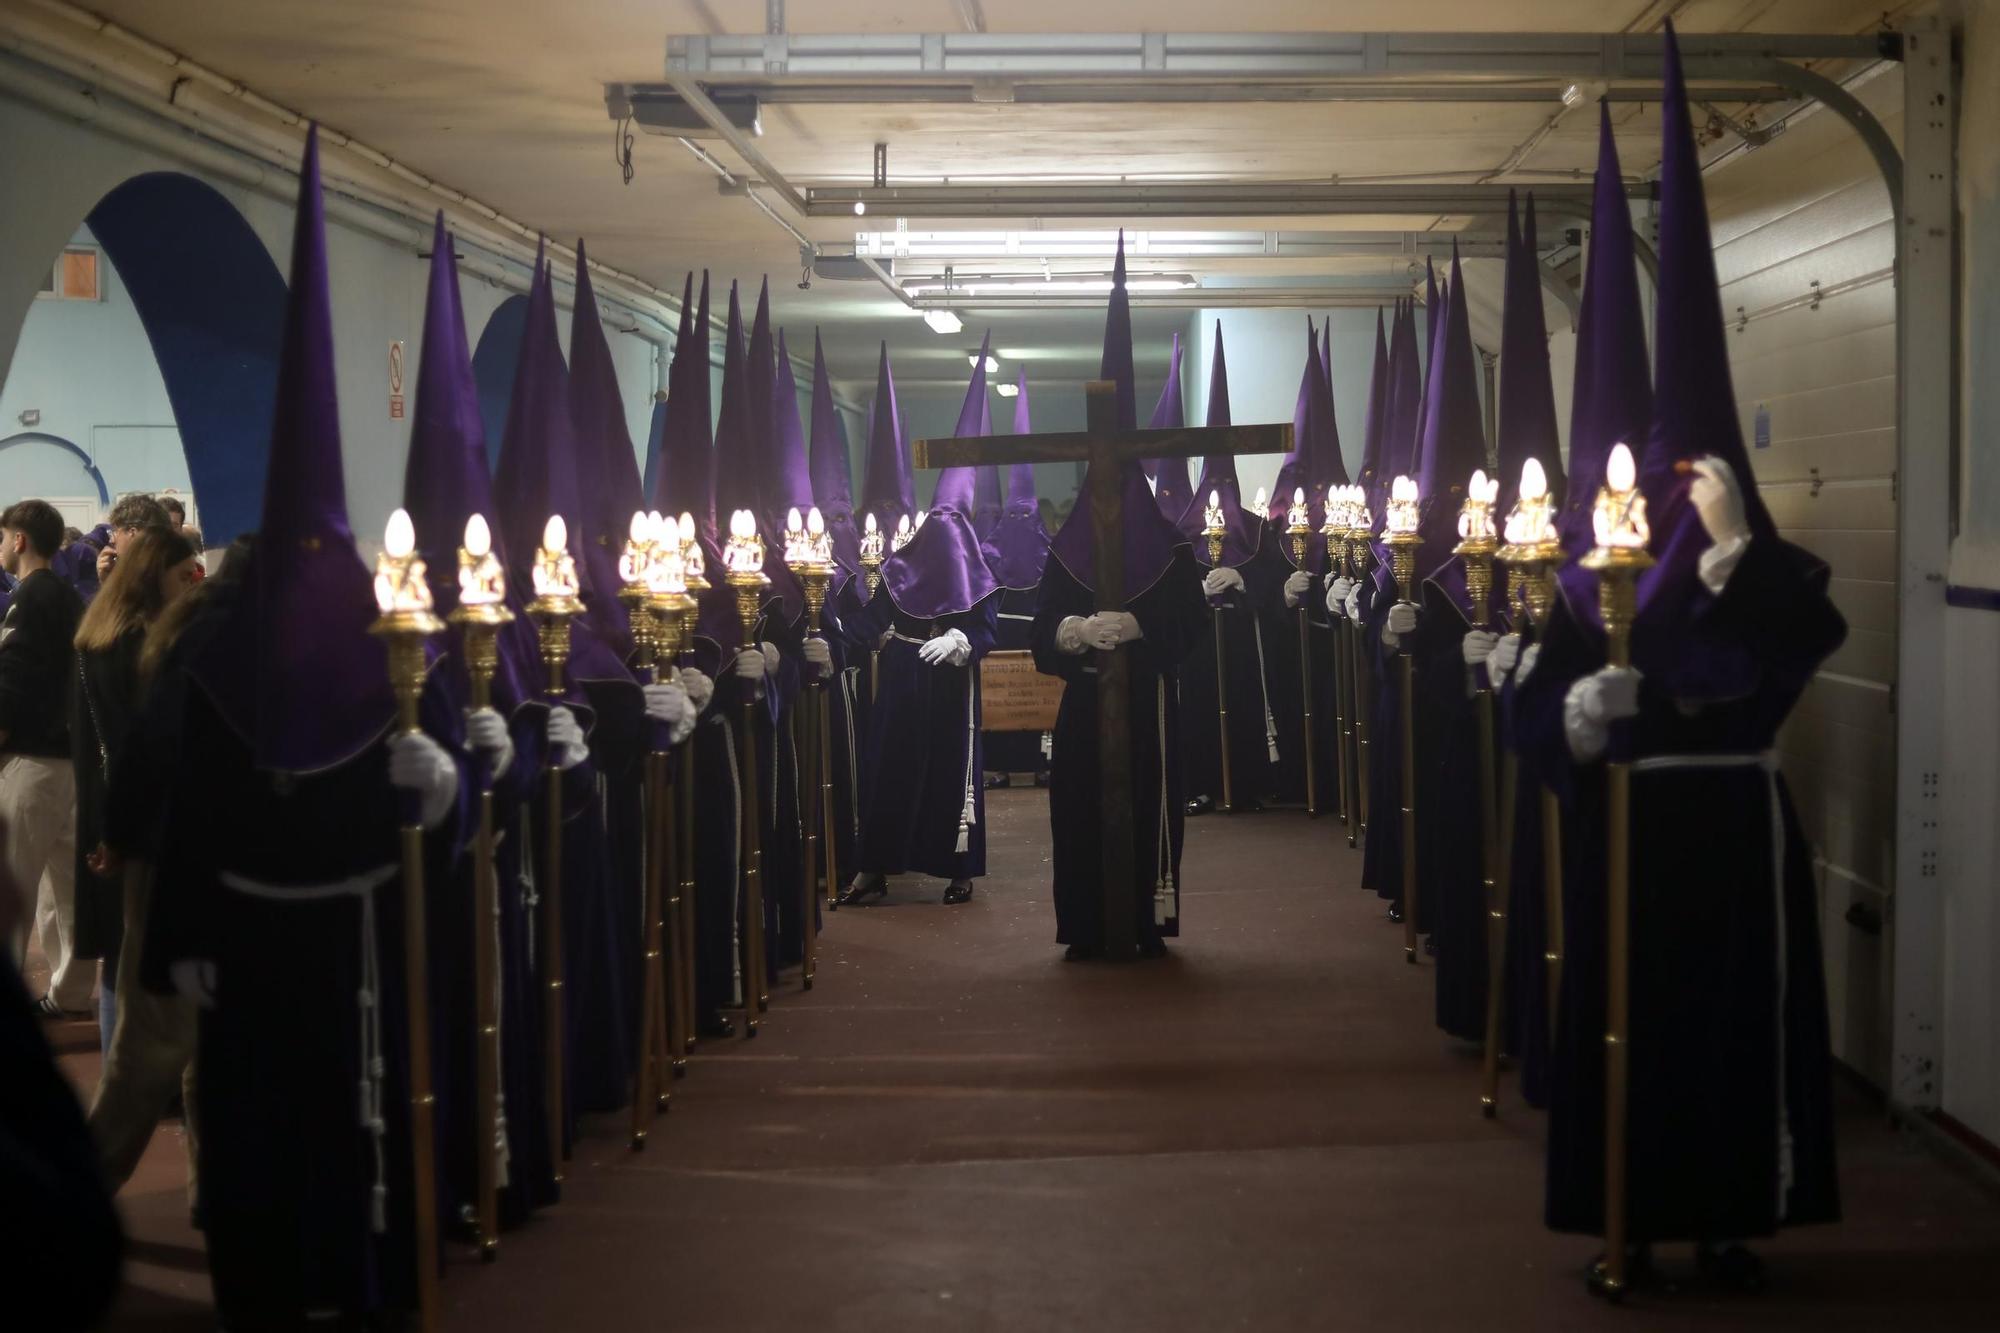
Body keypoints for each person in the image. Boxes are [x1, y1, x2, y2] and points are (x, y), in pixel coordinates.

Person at [1522, 30, 1842, 1291]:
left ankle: (1730, 1212)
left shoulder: (1759, 566)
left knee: (1733, 1027)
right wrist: (1581, 719)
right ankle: (1628, 1215)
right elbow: (1533, 720)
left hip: (1733, 830)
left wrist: (1727, 555)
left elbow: (1798, 647)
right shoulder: (1585, 590)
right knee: (1631, 1026)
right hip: (1630, 831)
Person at [1033, 239, 1207, 959]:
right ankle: (1083, 923)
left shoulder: (1167, 550)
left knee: (1145, 806)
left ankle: (1140, 921)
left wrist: (1137, 624)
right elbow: (1042, 634)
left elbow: (1193, 627)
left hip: (1147, 708)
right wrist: (1073, 630)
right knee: (1076, 807)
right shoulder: (1066, 550)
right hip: (1083, 707)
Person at [841, 344, 1002, 908]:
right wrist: (831, 631)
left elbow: (987, 631)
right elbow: (870, 622)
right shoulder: (899, 571)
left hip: (952, 687)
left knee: (951, 774)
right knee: (889, 773)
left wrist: (961, 641)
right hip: (903, 684)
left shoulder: (977, 575)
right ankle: (875, 868)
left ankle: (957, 866)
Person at [70, 526, 200, 1054]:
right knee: (138, 951)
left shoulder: (96, 634)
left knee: (119, 955)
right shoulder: (144, 643)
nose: (191, 581)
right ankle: (134, 1073)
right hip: (138, 818)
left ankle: (120, 1065)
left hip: (107, 806)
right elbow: (140, 743)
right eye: (183, 573)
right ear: (154, 576)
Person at [0, 498, 89, 1016]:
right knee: (67, 894)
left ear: (19, 540)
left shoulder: (30, 597)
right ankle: (70, 994)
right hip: (71, 761)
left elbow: (14, 683)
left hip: (31, 762)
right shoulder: (70, 597)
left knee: (13, 886)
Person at [92, 493, 171, 586]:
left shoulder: (142, 581)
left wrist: (108, 584)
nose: (111, 540)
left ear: (132, 533)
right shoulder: (172, 570)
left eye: (115, 531)